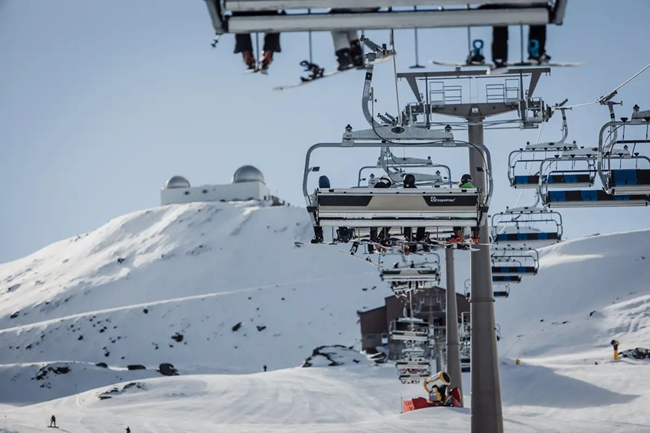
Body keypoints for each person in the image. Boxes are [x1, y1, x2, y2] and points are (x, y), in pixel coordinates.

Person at [476, 3, 550, 68]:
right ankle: (537, 52)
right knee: (539, 12)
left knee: (499, 16)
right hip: (533, 6)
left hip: (503, 6)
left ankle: (499, 58)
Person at [450, 174, 479, 243]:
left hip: (459, 217)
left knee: (453, 219)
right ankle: (475, 237)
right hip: (472, 217)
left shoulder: (456, 191)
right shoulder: (477, 191)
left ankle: (459, 236)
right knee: (477, 220)